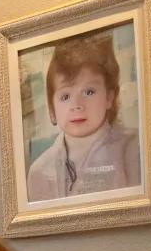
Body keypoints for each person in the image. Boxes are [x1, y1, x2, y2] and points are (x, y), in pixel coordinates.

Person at [26, 34, 142, 203]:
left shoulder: (135, 150)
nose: (77, 105)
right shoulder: (38, 171)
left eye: (89, 92)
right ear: (52, 108)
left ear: (109, 97)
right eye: (65, 96)